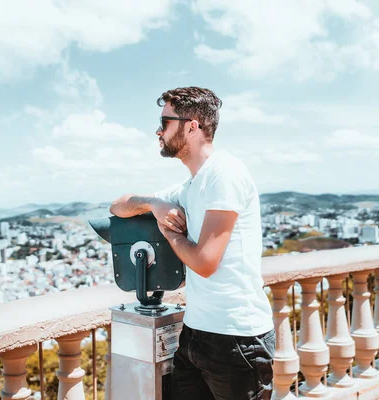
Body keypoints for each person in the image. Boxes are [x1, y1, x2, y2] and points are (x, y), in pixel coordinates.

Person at [109, 87, 275, 400]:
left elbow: (204, 261)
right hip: (196, 334)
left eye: (165, 122)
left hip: (237, 339)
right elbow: (117, 206)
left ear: (191, 126)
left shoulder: (223, 174)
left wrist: (170, 232)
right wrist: (154, 205)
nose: (158, 131)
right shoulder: (192, 184)